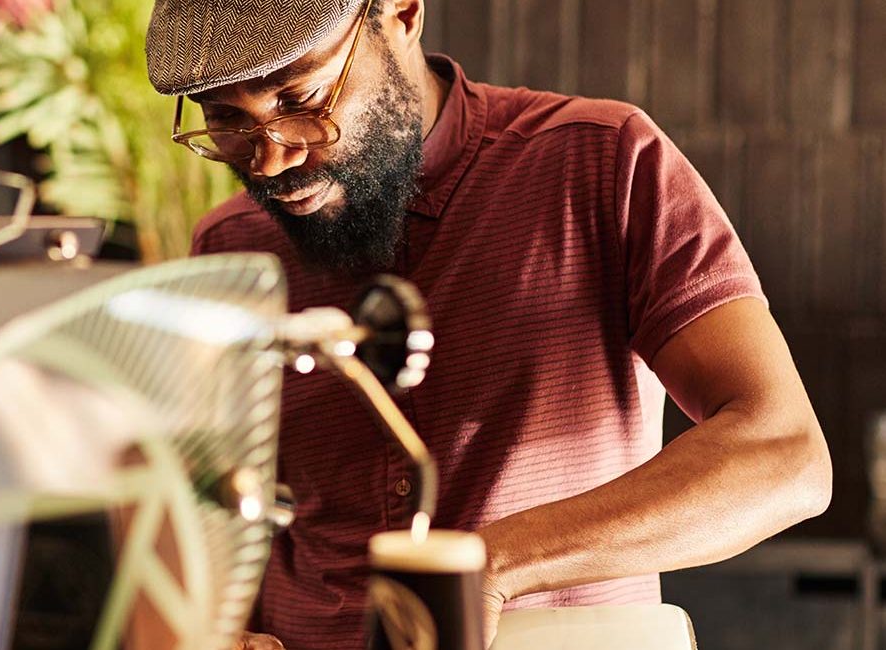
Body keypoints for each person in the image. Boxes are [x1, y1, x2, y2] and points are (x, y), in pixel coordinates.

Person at [144, 0, 834, 647]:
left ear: (401, 14)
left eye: (302, 101)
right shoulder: (228, 251)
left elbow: (783, 456)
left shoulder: (602, 162)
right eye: (227, 120)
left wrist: (493, 562)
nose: (271, 160)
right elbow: (203, 514)